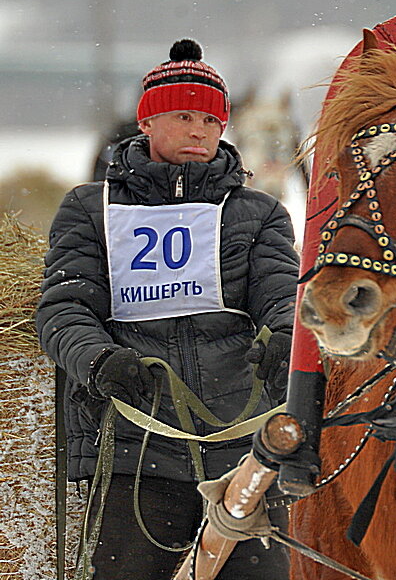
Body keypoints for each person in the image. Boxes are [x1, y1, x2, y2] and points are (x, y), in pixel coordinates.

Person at [36, 38, 298, 579]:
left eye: (211, 119)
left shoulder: (260, 213)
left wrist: (289, 340)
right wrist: (100, 361)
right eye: (184, 116)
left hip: (246, 453)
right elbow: (62, 310)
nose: (200, 130)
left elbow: (285, 299)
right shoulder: (90, 209)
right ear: (148, 122)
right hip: (133, 452)